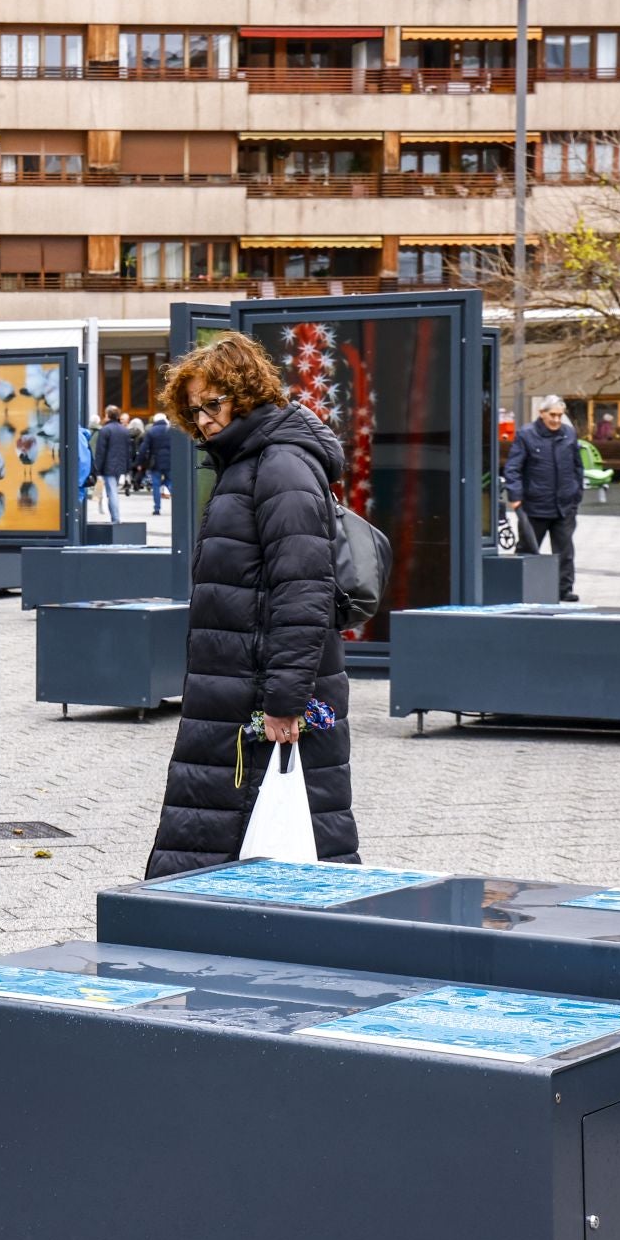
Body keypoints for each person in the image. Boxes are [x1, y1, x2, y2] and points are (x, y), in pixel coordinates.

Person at [145, 332, 356, 878]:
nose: (205, 420)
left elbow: (303, 590)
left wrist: (284, 701)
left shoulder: (280, 465)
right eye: (193, 411)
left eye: (213, 404)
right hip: (233, 684)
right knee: (222, 834)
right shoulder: (249, 462)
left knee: (277, 839)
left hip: (260, 692)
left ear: (245, 392)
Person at [502, 395, 582, 602]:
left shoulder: (569, 434)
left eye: (559, 415)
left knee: (565, 551)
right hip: (535, 505)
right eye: (552, 415)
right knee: (528, 549)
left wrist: (576, 493)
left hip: (564, 505)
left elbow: (577, 466)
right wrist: (515, 496)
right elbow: (513, 468)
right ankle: (519, 588)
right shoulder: (527, 435)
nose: (556, 420)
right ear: (542, 413)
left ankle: (563, 590)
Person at [91, 406, 134, 523]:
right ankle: (115, 517)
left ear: (107, 415)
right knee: (113, 490)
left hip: (108, 466)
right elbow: (129, 451)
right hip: (120, 465)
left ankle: (115, 518)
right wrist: (128, 468)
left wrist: (97, 469)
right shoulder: (124, 430)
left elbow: (100, 452)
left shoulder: (105, 430)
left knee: (112, 492)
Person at [143, 412, 173, 516]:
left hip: (155, 462)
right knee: (170, 482)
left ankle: (157, 508)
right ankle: (179, 504)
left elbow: (144, 448)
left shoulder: (151, 431)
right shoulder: (171, 430)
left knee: (156, 485)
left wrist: (139, 462)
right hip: (170, 461)